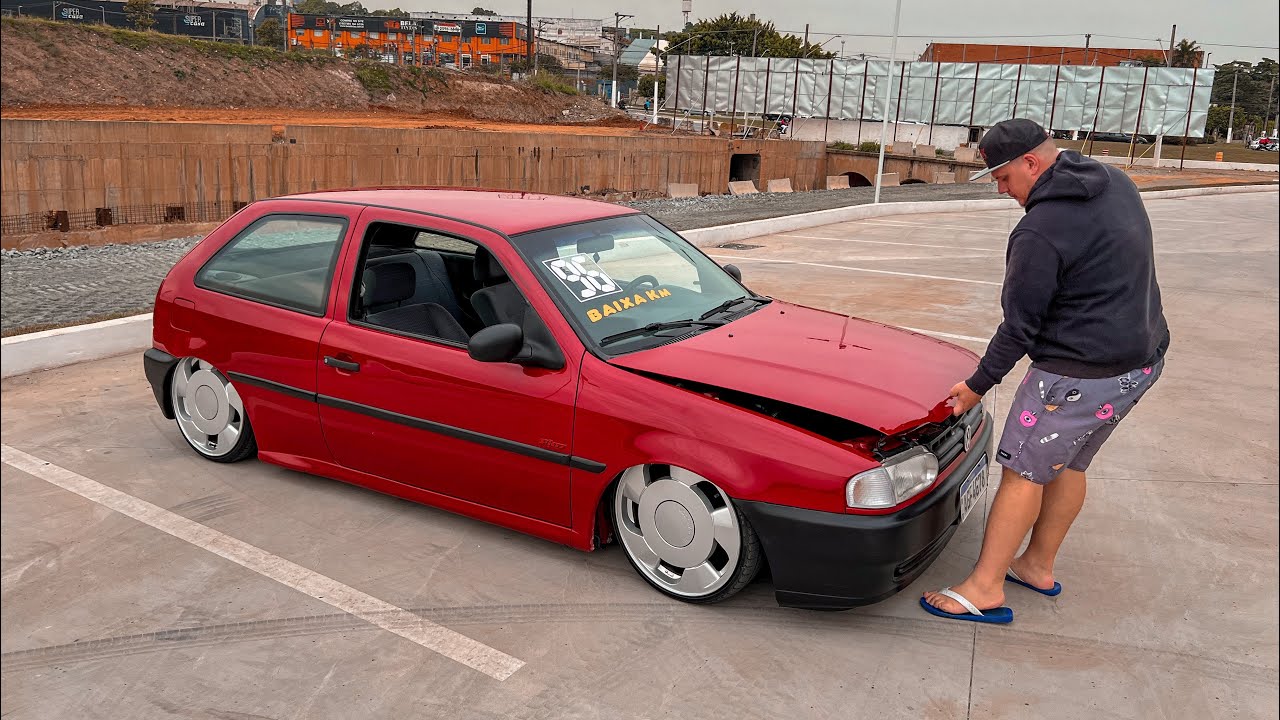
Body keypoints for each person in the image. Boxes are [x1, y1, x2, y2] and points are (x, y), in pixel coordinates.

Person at [920, 118, 1170, 624]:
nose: (1001, 189)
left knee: (1022, 473)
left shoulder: (1039, 230)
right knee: (1070, 464)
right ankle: (1036, 564)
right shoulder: (1114, 180)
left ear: (1031, 163)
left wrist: (975, 386)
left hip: (1076, 374)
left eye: (1003, 177)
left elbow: (1019, 329)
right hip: (1139, 362)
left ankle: (984, 588)